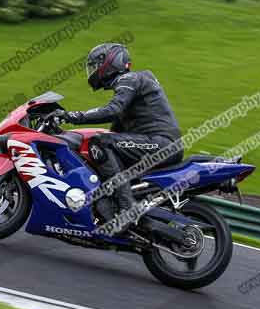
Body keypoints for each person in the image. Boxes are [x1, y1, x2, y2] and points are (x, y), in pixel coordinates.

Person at [56, 43, 183, 235]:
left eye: (96, 65)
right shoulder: (130, 85)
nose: (94, 71)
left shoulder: (129, 79)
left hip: (160, 142)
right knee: (102, 144)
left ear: (110, 62)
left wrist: (72, 116)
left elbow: (112, 110)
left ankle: (127, 209)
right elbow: (116, 129)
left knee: (100, 143)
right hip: (158, 143)